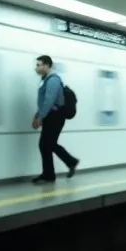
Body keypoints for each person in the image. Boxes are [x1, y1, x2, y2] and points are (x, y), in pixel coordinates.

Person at [32, 55, 79, 183]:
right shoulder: (46, 79)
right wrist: (38, 114)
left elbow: (49, 100)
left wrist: (40, 117)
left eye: (38, 65)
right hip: (50, 116)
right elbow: (43, 102)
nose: (36, 68)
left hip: (55, 117)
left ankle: (69, 163)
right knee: (45, 145)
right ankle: (50, 173)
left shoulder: (53, 80)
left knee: (47, 144)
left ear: (46, 65)